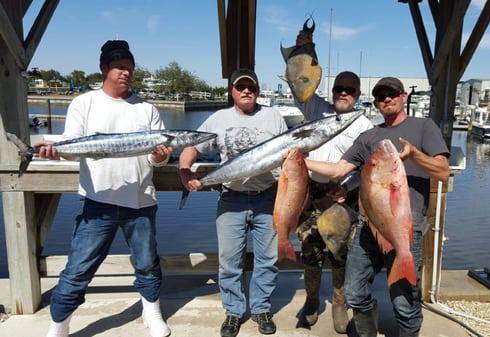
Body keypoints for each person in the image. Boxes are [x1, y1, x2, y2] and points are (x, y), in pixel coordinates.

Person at [38, 40, 173, 337]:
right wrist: (55, 150)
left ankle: (152, 314)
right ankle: (59, 326)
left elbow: (156, 158)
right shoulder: (84, 103)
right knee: (77, 270)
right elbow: (72, 148)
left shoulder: (147, 109)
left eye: (129, 68)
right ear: (104, 69)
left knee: (148, 265)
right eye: (119, 67)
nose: (125, 73)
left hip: (141, 201)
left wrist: (161, 156)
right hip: (97, 202)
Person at [304, 77, 450, 337]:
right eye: (380, 96)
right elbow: (339, 169)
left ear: (404, 96)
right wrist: (301, 162)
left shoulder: (424, 126)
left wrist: (415, 155)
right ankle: (367, 331)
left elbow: (442, 171)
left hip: (407, 228)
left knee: (403, 301)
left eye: (391, 94)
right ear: (375, 102)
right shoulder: (368, 136)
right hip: (368, 225)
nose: (386, 100)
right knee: (354, 293)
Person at [179, 69, 287, 337]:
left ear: (258, 91)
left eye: (251, 87)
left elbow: (289, 152)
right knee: (229, 261)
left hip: (267, 197)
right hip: (231, 198)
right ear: (232, 92)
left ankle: (261, 308)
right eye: (241, 87)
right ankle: (233, 311)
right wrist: (184, 170)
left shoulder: (274, 117)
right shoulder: (218, 119)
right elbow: (192, 147)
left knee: (268, 259)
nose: (246, 91)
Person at [292, 69, 372, 334]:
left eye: (350, 90)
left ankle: (340, 303)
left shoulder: (364, 126)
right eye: (339, 88)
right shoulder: (316, 108)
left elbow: (366, 168)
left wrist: (347, 186)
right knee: (310, 249)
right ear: (332, 90)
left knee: (340, 252)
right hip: (310, 191)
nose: (344, 93)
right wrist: (305, 46)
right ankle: (312, 300)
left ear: (358, 95)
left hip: (343, 194)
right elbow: (298, 79)